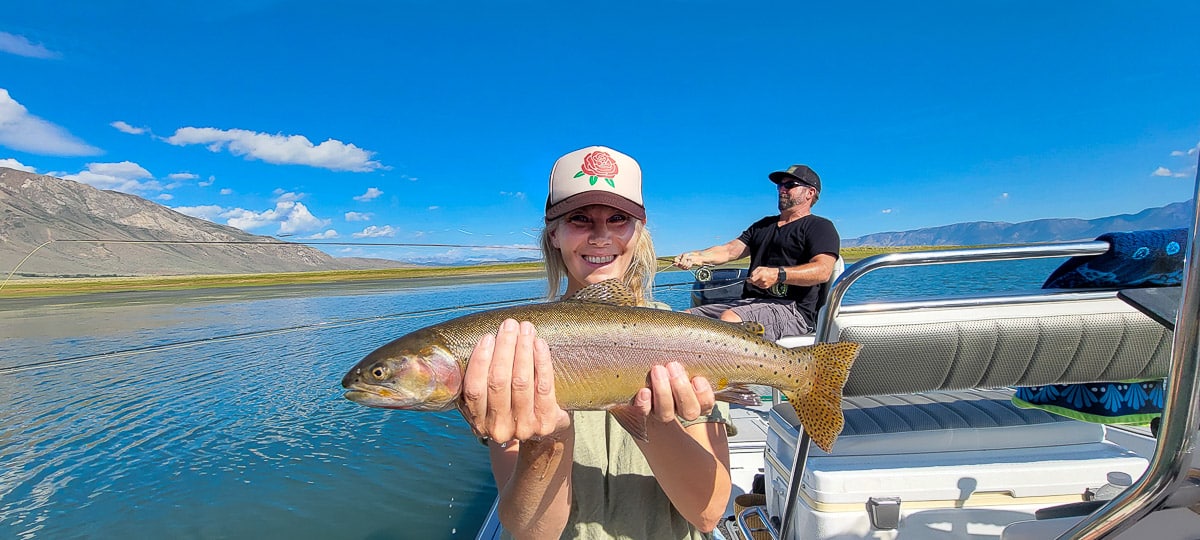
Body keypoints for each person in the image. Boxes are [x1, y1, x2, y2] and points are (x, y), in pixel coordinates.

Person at [460, 146, 732, 539]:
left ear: (638, 232)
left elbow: (707, 514)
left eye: (618, 219)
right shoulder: (511, 351)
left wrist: (655, 417)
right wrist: (546, 440)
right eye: (580, 219)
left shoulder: (687, 343)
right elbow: (532, 534)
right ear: (554, 233)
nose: (601, 236)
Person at [673, 164, 840, 341]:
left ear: (810, 192)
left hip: (794, 311)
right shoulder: (763, 225)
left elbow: (823, 270)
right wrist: (695, 257)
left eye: (790, 185)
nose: (782, 189)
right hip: (749, 304)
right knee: (683, 320)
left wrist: (779, 275)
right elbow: (729, 251)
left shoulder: (820, 227)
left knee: (731, 319)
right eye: (780, 185)